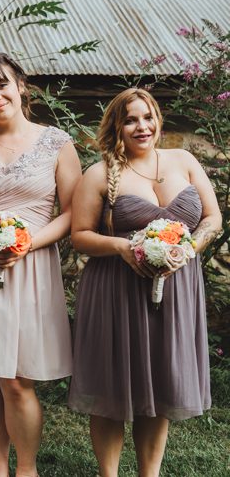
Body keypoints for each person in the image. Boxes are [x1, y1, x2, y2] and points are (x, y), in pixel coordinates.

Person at [68, 88, 218, 477]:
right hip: (116, 292)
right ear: (117, 126)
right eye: (131, 120)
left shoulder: (183, 161)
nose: (142, 127)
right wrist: (122, 247)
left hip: (176, 290)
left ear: (158, 120)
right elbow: (80, 235)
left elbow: (212, 218)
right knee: (111, 390)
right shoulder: (99, 174)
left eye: (148, 117)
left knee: (161, 387)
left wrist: (187, 248)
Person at [0, 52, 82, 477]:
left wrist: (27, 244)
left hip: (32, 266)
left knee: (18, 378)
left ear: (21, 85)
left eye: (2, 85)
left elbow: (73, 213)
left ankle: (27, 468)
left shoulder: (57, 143)